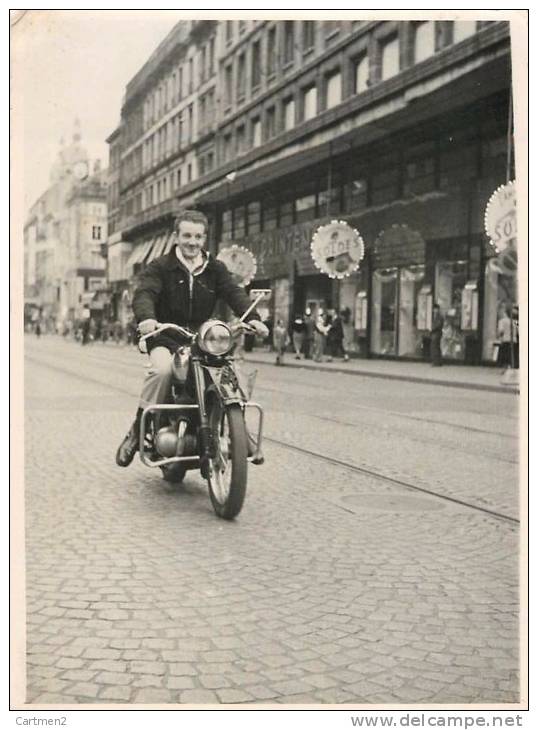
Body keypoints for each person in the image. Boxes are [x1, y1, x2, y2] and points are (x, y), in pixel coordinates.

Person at [116, 209, 268, 467]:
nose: (192, 242)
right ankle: (137, 430)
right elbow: (145, 293)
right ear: (176, 236)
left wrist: (252, 318)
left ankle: (240, 431)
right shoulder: (160, 267)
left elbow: (233, 293)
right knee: (163, 371)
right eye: (187, 235)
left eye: (198, 237)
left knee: (231, 370)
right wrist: (146, 318)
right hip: (166, 335)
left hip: (203, 338)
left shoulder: (215, 268)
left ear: (204, 239)